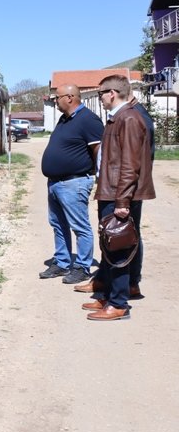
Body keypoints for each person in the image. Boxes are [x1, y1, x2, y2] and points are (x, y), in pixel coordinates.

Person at [81, 75, 155, 321]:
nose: (99, 98)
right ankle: (110, 294)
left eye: (101, 93)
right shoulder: (119, 118)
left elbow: (129, 166)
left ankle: (119, 303)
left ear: (112, 93)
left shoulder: (130, 119)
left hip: (118, 195)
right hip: (111, 192)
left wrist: (122, 202)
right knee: (110, 245)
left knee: (119, 248)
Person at [38, 84, 104, 285]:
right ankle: (62, 262)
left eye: (56, 98)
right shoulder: (64, 119)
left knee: (79, 226)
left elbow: (99, 152)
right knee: (58, 224)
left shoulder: (89, 120)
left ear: (69, 97)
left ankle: (82, 267)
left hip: (74, 182)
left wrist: (98, 177)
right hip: (56, 183)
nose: (54, 101)